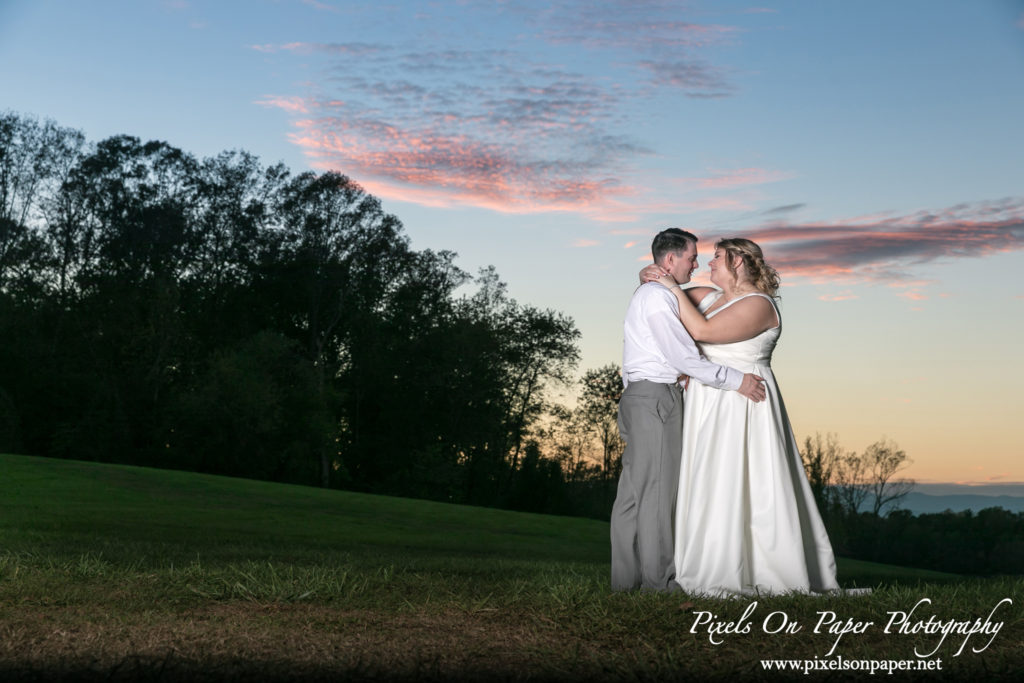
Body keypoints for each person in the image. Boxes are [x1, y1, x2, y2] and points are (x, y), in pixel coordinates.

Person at [640, 237, 839, 596]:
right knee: (707, 477)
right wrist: (650, 274)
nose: (707, 264)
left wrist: (668, 283)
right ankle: (702, 562)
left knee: (744, 480)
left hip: (743, 404)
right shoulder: (707, 297)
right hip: (707, 401)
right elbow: (662, 292)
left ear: (737, 262)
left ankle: (754, 568)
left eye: (716, 257)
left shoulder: (760, 306)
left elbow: (703, 332)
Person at [612, 228, 767, 592]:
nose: (696, 264)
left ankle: (624, 584)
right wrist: (736, 380)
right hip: (655, 399)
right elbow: (682, 355)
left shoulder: (654, 293)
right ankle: (659, 584)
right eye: (691, 258)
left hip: (639, 395)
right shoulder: (658, 298)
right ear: (669, 261)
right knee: (655, 494)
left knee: (633, 496)